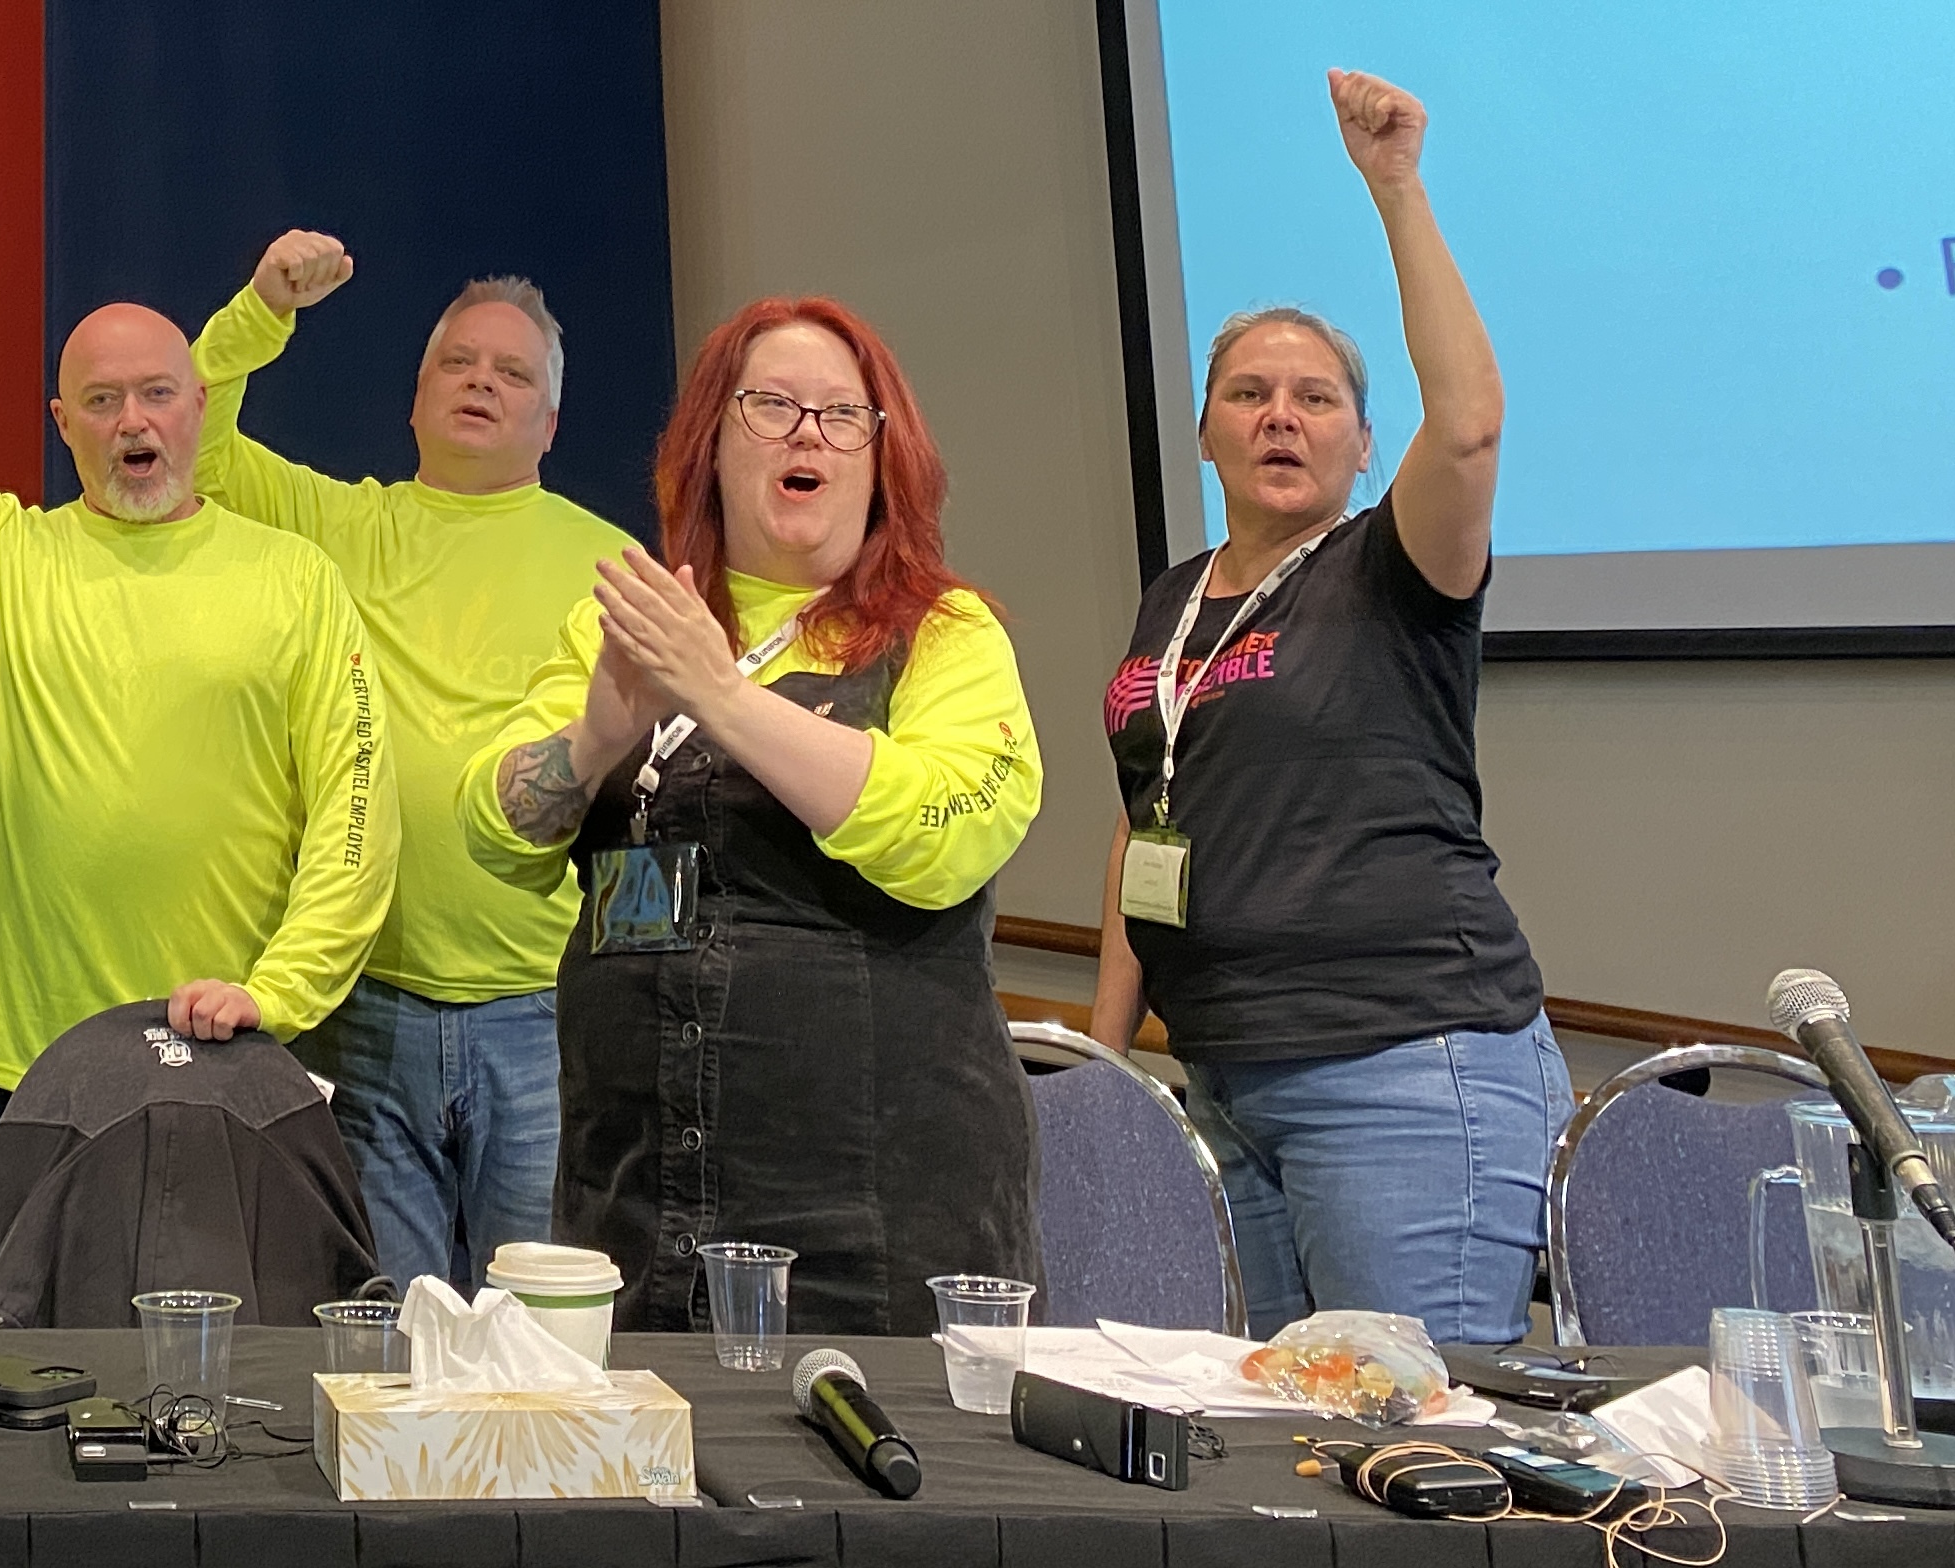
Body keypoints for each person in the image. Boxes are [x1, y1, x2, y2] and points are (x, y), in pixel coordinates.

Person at [0, 199, 398, 1206]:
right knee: (32, 1356)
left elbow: (358, 803)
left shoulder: (296, 578)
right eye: (104, 399)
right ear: (62, 421)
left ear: (200, 406)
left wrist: (279, 993)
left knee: (221, 1353)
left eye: (158, 394)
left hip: (230, 1050)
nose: (133, 421)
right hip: (25, 1066)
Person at [1087, 69, 1560, 1343]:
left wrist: (1395, 186)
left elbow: (1468, 428)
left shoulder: (1392, 567)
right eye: (1249, 394)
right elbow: (1150, 823)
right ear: (1204, 433)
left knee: (1424, 1455)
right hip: (1227, 1082)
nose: (1280, 416)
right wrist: (1110, 1064)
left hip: (1402, 1066)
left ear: (1363, 446)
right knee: (1291, 1462)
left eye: (1316, 400)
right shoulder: (1171, 604)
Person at [468, 295, 1041, 1337]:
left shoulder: (944, 635)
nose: (806, 433)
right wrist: (596, 736)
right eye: (771, 405)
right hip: (636, 1212)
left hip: (876, 1223)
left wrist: (722, 698)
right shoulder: (626, 625)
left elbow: (944, 835)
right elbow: (496, 828)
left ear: (882, 459)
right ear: (712, 445)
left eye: (840, 415)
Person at [188, 228, 630, 1290]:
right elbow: (197, 437)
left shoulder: (613, 565)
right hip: (369, 1007)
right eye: (457, 364)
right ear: (416, 399)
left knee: (538, 1339)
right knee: (390, 1338)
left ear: (551, 420)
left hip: (544, 1016)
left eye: (511, 372)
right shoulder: (345, 525)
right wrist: (263, 307)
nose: (481, 382)